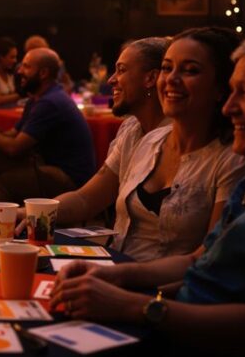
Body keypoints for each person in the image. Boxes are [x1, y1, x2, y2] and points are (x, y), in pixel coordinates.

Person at [49, 26, 245, 357]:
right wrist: (113, 275)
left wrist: (135, 305)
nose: (229, 107)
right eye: (167, 67)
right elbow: (199, 261)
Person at [100, 28, 245, 261]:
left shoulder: (233, 158)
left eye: (190, 70)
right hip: (115, 268)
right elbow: (89, 198)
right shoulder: (151, 140)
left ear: (221, 88)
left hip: (165, 289)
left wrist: (121, 278)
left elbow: (208, 261)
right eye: (167, 68)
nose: (171, 79)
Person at [15, 37, 171, 229]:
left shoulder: (179, 137)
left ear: (150, 79)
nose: (111, 79)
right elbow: (86, 199)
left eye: (121, 70)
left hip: (140, 259)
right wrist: (29, 212)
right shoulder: (131, 130)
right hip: (119, 253)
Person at [0, 48, 96, 212]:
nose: (19, 70)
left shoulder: (50, 102)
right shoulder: (37, 99)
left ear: (43, 73)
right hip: (45, 165)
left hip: (70, 177)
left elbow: (14, 148)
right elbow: (13, 135)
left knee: (2, 184)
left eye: (26, 67)